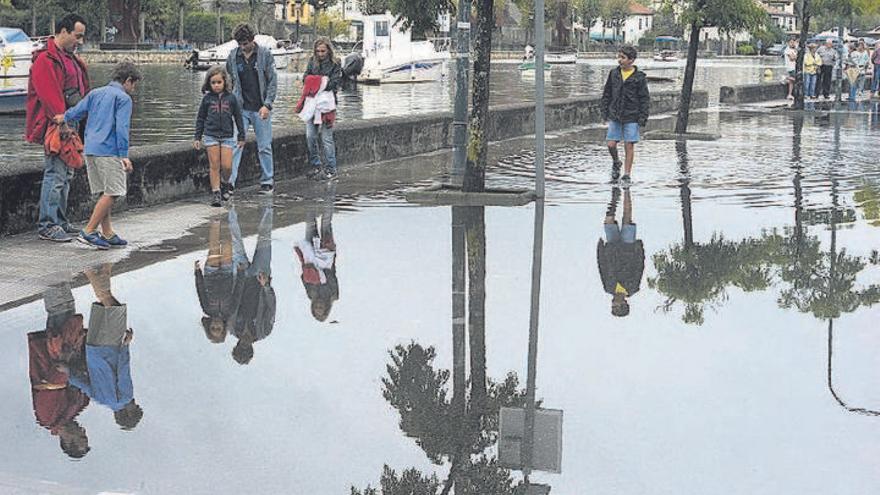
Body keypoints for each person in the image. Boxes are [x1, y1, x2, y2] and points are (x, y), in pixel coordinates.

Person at [61, 62, 140, 249]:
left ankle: (108, 232)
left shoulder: (95, 93)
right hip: (109, 150)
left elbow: (76, 112)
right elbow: (122, 128)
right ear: (128, 80)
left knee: (104, 192)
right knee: (113, 192)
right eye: (134, 84)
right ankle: (88, 231)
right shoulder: (123, 98)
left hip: (90, 149)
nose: (133, 89)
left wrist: (63, 118)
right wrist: (124, 155)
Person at [26, 14, 90, 243]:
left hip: (69, 120)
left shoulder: (67, 58)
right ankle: (49, 224)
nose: (79, 41)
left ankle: (59, 220)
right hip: (58, 122)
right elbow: (49, 95)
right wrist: (61, 121)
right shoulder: (46, 59)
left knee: (67, 173)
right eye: (77, 36)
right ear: (63, 31)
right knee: (56, 173)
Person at [69, 264, 144, 431]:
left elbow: (124, 371)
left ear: (129, 413)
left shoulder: (125, 397)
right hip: (92, 349)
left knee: (112, 306)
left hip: (110, 347)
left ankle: (89, 270)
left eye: (136, 408)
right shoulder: (100, 399)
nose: (135, 403)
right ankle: (105, 269)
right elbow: (78, 382)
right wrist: (66, 370)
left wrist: (126, 346)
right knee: (106, 305)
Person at [28, 284, 90, 459]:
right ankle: (54, 269)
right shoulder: (77, 407)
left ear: (68, 441)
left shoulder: (47, 418)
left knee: (59, 306)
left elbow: (48, 384)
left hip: (57, 349)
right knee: (67, 305)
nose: (83, 430)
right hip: (69, 346)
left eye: (81, 437)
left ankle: (48, 267)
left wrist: (71, 371)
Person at [226, 23, 278, 198]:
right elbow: (230, 80)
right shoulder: (233, 56)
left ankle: (267, 181)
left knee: (264, 146)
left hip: (260, 107)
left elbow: (272, 81)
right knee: (235, 145)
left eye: (245, 43)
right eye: (239, 43)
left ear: (252, 40)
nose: (242, 47)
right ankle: (230, 183)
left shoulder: (265, 55)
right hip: (240, 108)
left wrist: (268, 104)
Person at [230, 201, 275, 365]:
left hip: (241, 277)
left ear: (237, 344)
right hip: (260, 278)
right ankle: (267, 203)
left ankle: (231, 207)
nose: (244, 342)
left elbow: (232, 302)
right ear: (251, 348)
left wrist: (236, 277)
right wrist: (266, 286)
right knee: (265, 237)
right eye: (246, 347)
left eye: (241, 345)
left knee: (235, 240)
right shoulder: (264, 330)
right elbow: (271, 305)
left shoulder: (233, 327)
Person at [193, 66, 246, 207]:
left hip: (228, 136)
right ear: (209, 84)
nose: (216, 85)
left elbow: (238, 117)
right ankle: (216, 193)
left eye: (219, 82)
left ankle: (225, 182)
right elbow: (200, 118)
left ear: (225, 82)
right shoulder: (207, 99)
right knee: (214, 165)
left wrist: (241, 136)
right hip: (211, 135)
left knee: (227, 166)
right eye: (213, 83)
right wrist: (197, 137)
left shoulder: (231, 98)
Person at [600, 45, 649, 187]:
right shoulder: (614, 74)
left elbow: (644, 98)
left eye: (623, 57)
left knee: (629, 145)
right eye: (619, 57)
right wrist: (604, 112)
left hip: (632, 115)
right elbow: (607, 93)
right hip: (615, 114)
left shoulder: (639, 78)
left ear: (631, 60)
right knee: (610, 144)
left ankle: (627, 174)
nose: (619, 60)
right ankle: (616, 161)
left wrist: (642, 117)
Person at [195, 213, 245, 344]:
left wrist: (197, 272)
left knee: (214, 247)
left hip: (210, 275)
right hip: (227, 274)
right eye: (218, 328)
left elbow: (200, 291)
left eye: (213, 328)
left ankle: (216, 221)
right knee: (228, 244)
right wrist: (240, 273)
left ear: (209, 325)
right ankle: (228, 217)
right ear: (223, 328)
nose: (216, 325)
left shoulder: (206, 309)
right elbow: (238, 291)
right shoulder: (231, 310)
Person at [596, 187, 644, 318]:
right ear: (624, 304)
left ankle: (614, 199)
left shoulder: (608, 287)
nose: (612, 303)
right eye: (615, 306)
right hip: (628, 247)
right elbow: (639, 267)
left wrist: (600, 249)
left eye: (612, 306)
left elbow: (602, 267)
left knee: (608, 220)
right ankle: (626, 190)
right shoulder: (633, 288)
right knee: (627, 217)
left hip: (611, 248)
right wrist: (640, 248)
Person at [295, 183, 338, 322]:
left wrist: (311, 273)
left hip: (310, 255)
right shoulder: (333, 295)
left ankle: (311, 190)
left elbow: (303, 277)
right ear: (326, 308)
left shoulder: (310, 294)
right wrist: (319, 277)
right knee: (326, 222)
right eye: (321, 309)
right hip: (326, 253)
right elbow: (331, 276)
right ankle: (330, 189)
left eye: (316, 309)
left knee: (309, 222)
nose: (319, 307)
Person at [301, 38, 343, 181]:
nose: (320, 54)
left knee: (326, 138)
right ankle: (316, 164)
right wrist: (321, 81)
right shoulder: (312, 61)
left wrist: (316, 82)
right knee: (310, 136)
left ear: (328, 50)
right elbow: (305, 78)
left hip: (327, 106)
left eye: (323, 51)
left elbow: (335, 82)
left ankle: (331, 168)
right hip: (312, 104)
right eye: (318, 51)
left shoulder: (335, 64)